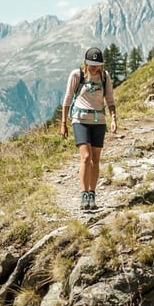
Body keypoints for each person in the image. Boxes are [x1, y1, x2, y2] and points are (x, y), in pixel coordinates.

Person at [61, 47, 118, 211]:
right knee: (86, 157)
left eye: (97, 64)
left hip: (99, 121)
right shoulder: (76, 75)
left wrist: (114, 118)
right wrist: (63, 122)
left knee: (95, 160)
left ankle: (92, 193)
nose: (94, 67)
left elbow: (110, 99)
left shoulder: (105, 77)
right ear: (86, 62)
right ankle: (84, 193)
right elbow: (67, 98)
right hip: (80, 120)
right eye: (92, 64)